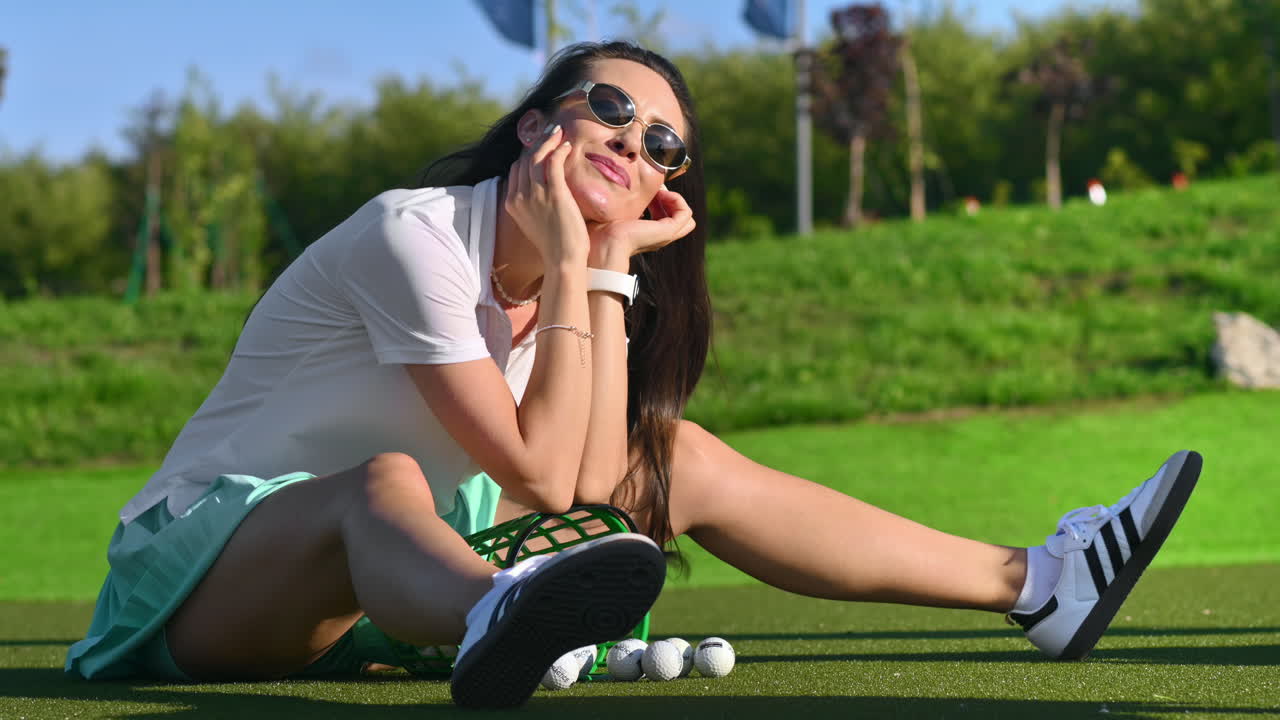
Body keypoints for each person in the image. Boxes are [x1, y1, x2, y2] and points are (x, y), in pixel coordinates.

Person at [65, 41, 1202, 709]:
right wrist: (578, 260)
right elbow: (543, 477)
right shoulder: (412, 234)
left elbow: (592, 476)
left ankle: (1037, 584)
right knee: (382, 486)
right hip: (200, 580)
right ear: (533, 128)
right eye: (607, 107)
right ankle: (498, 617)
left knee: (675, 458)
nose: (630, 139)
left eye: (661, 142)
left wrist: (597, 266)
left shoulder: (580, 272)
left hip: (370, 595)